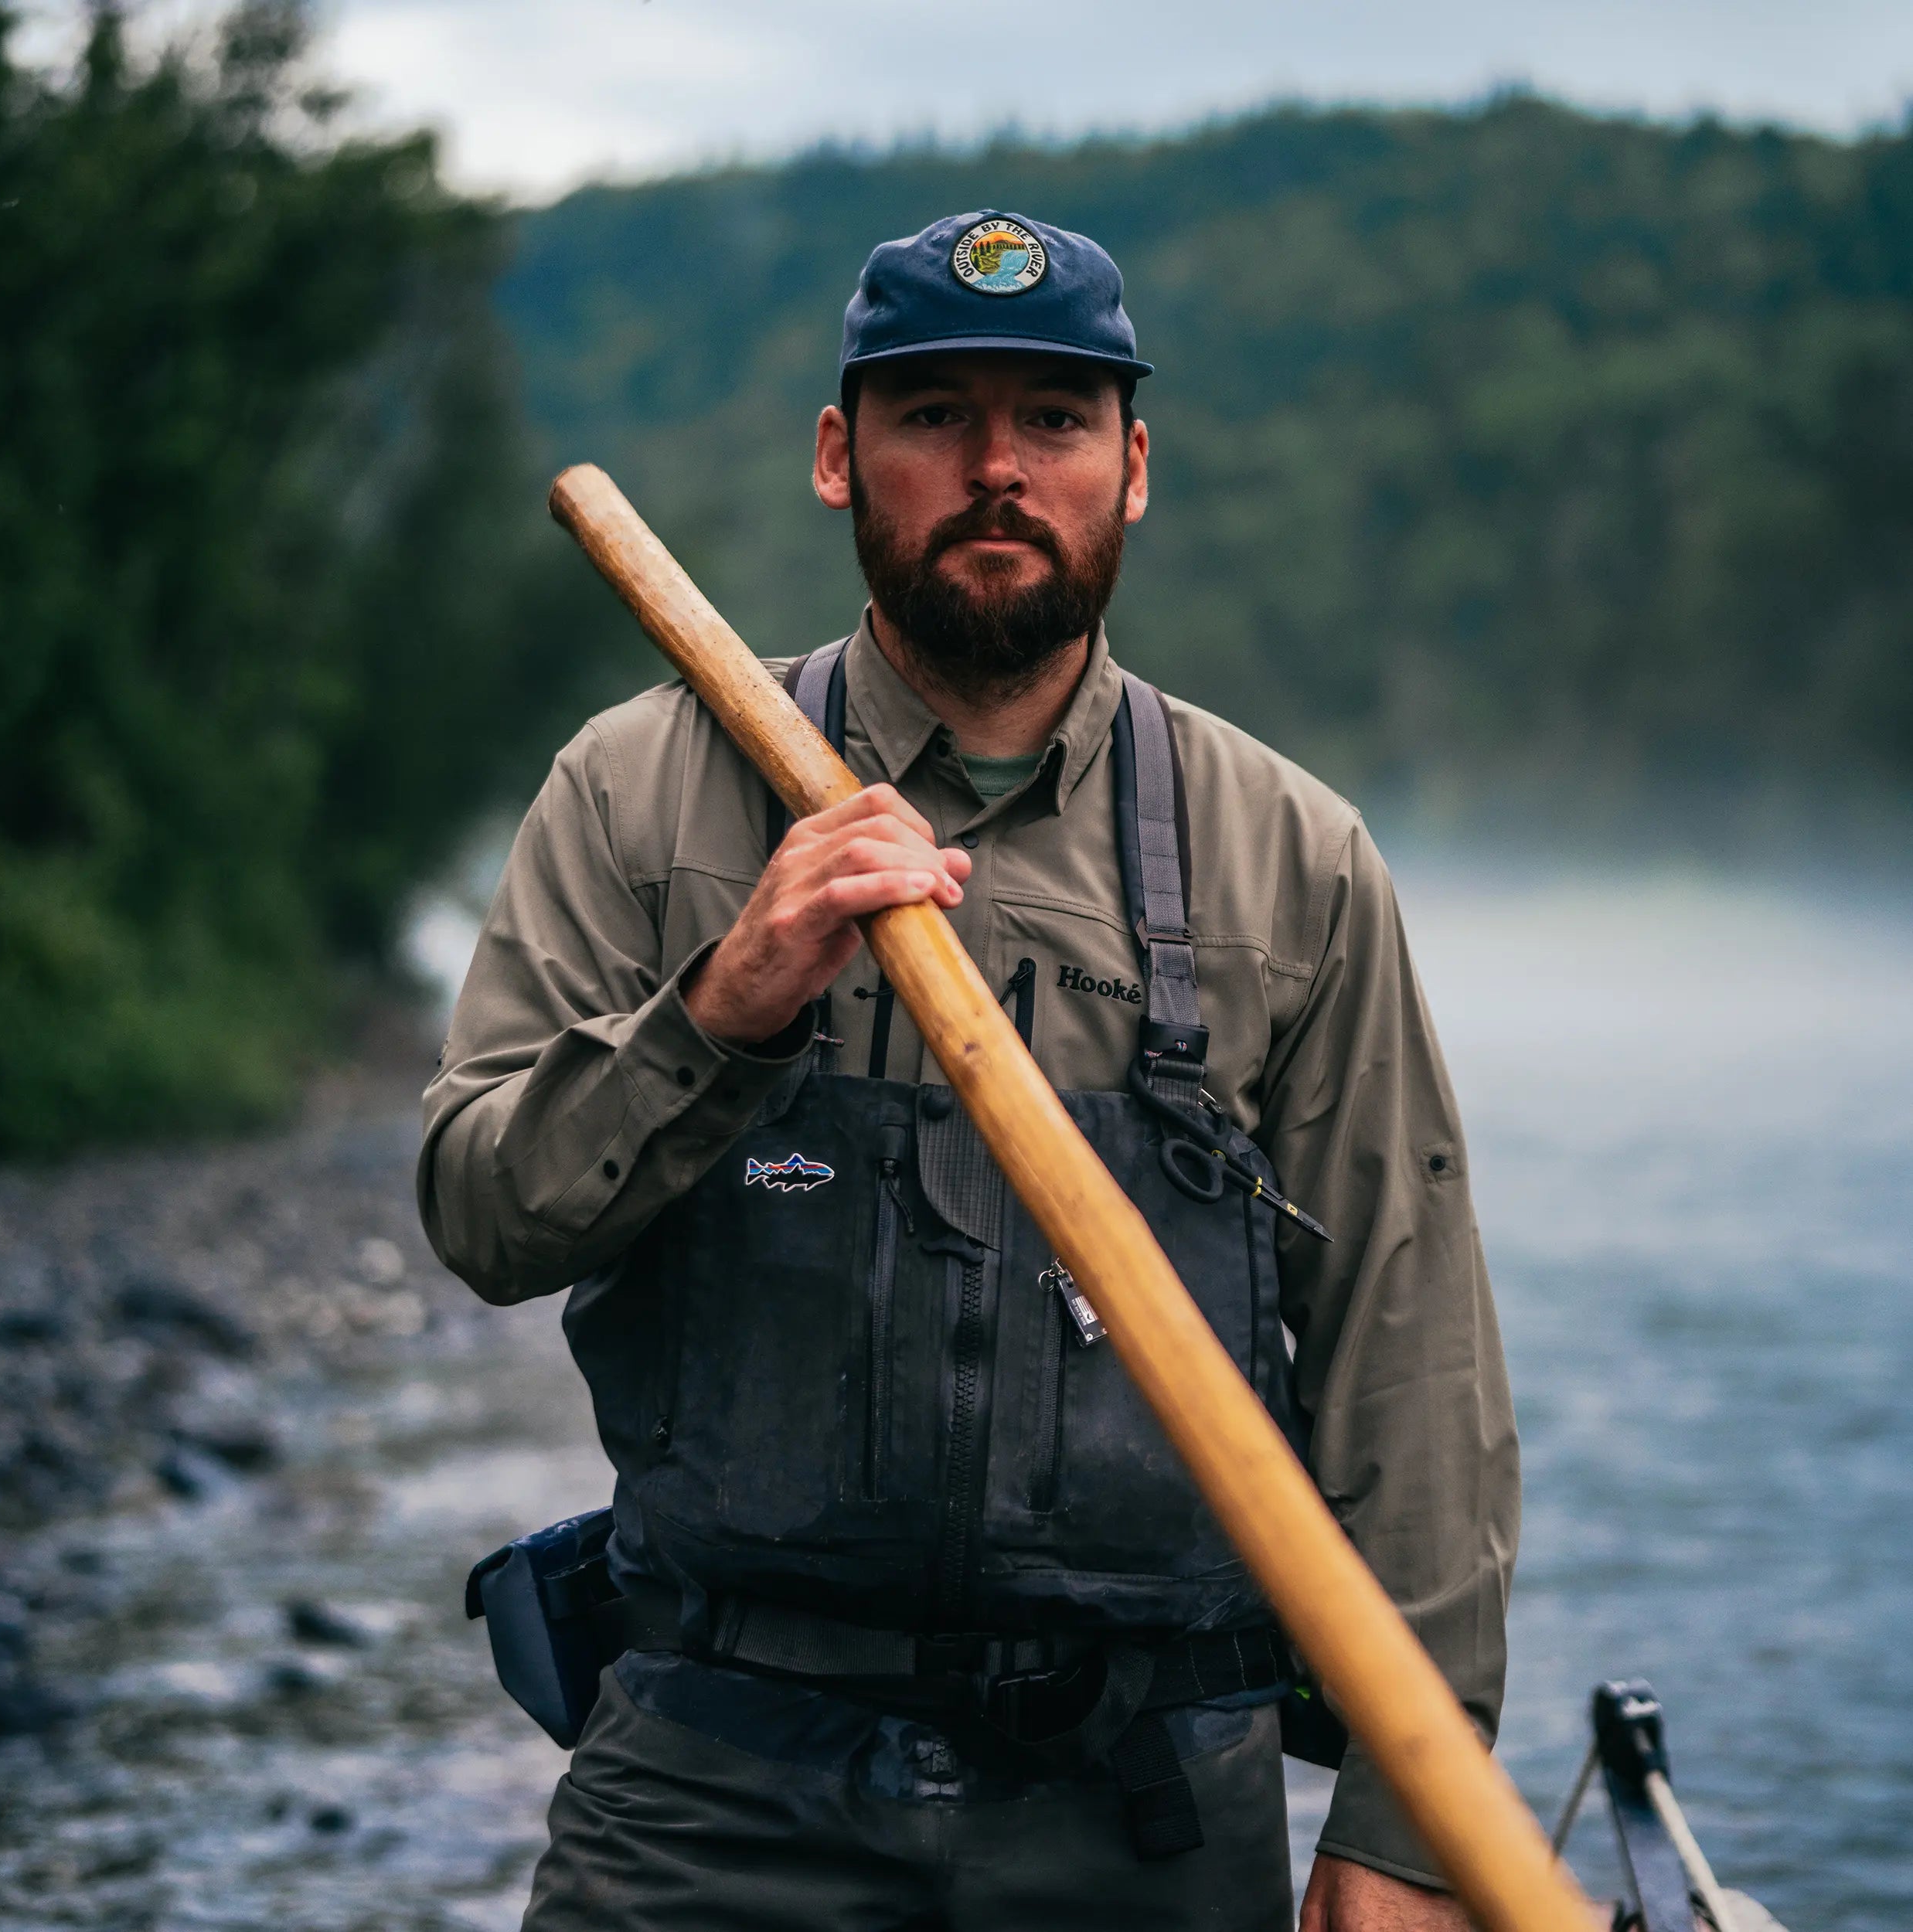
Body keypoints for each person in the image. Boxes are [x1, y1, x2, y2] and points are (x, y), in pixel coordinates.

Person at [419, 209, 1519, 1932]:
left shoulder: (1286, 856)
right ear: (835, 455)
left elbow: (1409, 1337)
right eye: (932, 414)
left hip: (1144, 1806)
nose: (996, 467)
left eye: (1055, 420)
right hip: (709, 1785)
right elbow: (482, 1212)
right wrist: (725, 1005)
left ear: (1132, 466)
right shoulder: (637, 798)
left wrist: (1406, 1812)